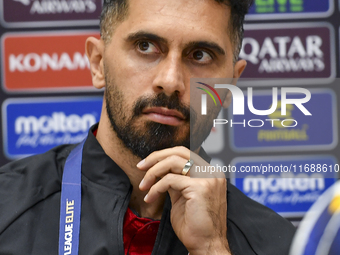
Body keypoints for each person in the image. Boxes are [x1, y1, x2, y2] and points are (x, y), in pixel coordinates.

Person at [0, 0, 295, 254]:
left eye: (200, 55)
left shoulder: (282, 245)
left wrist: (212, 249)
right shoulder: (7, 206)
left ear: (230, 85)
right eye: (146, 46)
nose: (170, 81)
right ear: (98, 63)